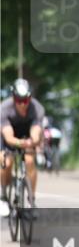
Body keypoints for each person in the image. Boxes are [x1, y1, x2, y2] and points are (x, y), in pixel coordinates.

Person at [0, 79, 45, 219]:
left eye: (25, 100)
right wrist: (20, 143)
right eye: (18, 100)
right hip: (9, 136)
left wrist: (32, 141)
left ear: (29, 98)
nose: (22, 104)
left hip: (27, 135)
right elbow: (8, 137)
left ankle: (31, 200)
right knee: (6, 163)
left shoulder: (37, 108)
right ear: (13, 98)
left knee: (30, 161)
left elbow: (36, 132)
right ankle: (3, 197)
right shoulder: (4, 109)